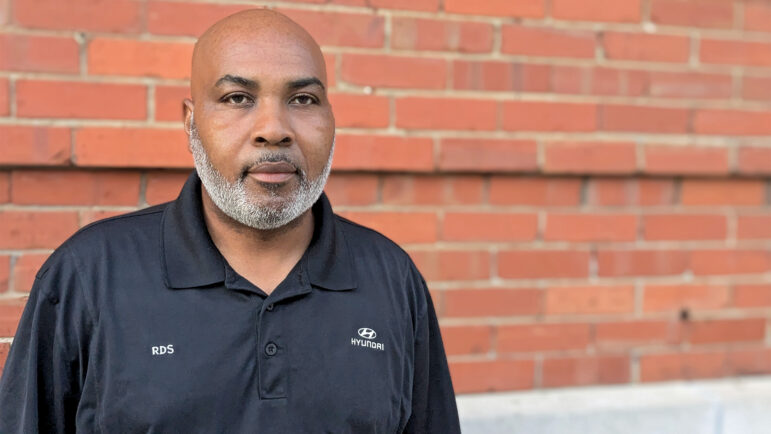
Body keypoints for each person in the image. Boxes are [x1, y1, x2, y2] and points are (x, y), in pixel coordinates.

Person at [0, 9, 460, 433]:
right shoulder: (89, 275)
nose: (273, 128)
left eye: (302, 99)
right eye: (238, 97)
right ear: (191, 121)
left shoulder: (392, 279)